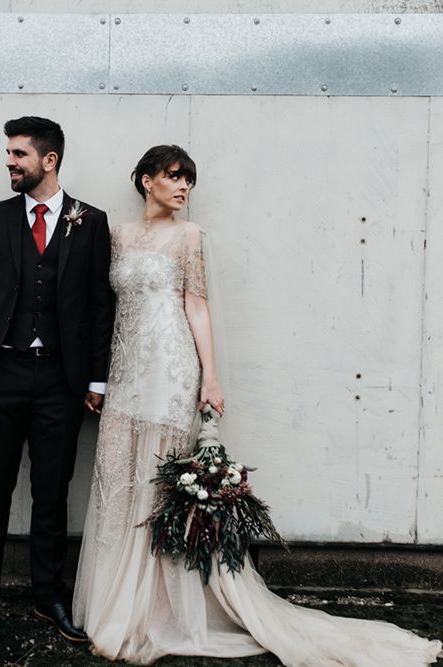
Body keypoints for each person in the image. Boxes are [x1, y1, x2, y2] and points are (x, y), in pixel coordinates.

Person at [72, 144, 442, 666]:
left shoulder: (189, 236)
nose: (183, 189)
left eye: (189, 182)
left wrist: (211, 379)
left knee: (155, 490)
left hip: (171, 372)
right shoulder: (116, 237)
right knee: (116, 484)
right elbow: (103, 305)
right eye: (175, 178)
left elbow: (196, 307)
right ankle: (115, 602)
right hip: (124, 370)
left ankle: (156, 610)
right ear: (146, 179)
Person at [0, 116, 113, 654]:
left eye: (18, 154)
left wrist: (96, 379)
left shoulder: (90, 222)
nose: (9, 162)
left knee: (52, 491)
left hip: (61, 382)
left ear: (49, 160)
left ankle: (49, 594)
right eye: (8, 153)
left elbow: (100, 306)